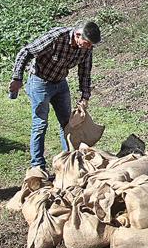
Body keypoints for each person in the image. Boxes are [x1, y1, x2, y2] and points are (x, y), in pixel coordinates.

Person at [9, 21, 101, 170]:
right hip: (40, 82)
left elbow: (85, 72)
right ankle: (38, 166)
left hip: (60, 84)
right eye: (87, 43)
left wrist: (85, 96)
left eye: (91, 45)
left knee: (68, 124)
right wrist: (17, 78)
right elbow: (26, 52)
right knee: (40, 125)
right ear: (78, 35)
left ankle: (69, 162)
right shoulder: (57, 37)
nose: (89, 47)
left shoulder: (86, 49)